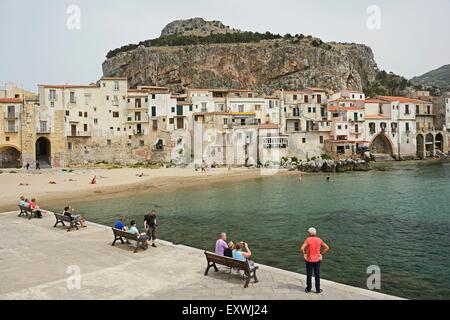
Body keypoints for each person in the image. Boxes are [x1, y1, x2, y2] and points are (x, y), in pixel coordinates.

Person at [300, 227, 330, 294]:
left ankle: (308, 289)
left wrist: (304, 254)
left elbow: (302, 248)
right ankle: (318, 290)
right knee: (317, 275)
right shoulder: (319, 239)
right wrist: (320, 254)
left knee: (309, 275)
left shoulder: (307, 239)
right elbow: (327, 248)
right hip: (317, 260)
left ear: (310, 233)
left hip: (309, 260)